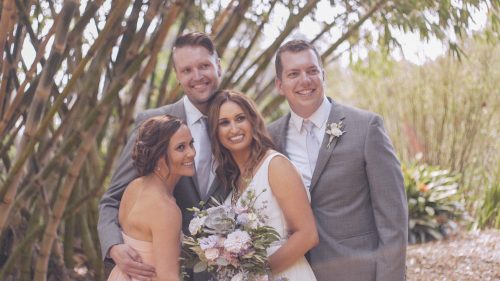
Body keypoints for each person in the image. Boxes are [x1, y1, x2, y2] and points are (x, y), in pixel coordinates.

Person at [267, 40, 408, 281]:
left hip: (358, 273)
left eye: (312, 71)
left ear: (323, 74)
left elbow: (393, 219)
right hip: (296, 273)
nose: (305, 80)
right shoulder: (270, 137)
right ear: (280, 85)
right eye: (293, 74)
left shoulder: (366, 128)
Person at [98, 32, 226, 281]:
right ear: (178, 76)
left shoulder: (236, 124)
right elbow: (112, 199)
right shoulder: (153, 123)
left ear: (218, 66)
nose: (197, 76)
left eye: (204, 66)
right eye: (187, 70)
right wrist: (114, 246)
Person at [207, 89, 319, 280]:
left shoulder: (275, 165)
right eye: (224, 123)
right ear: (215, 132)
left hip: (287, 273)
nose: (234, 129)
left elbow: (308, 235)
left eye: (240, 118)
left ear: (253, 121)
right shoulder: (232, 180)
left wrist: (255, 273)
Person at [107, 115, 194, 281]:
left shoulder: (134, 187)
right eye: (181, 147)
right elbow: (168, 277)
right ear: (159, 156)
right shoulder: (166, 208)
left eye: (191, 144)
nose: (191, 153)